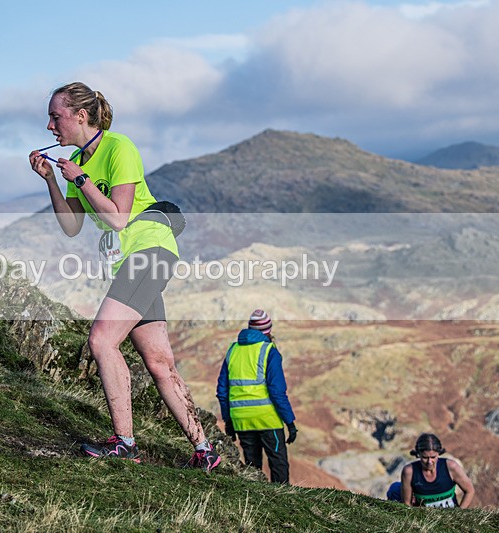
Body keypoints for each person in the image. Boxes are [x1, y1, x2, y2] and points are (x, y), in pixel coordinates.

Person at [28, 82, 220, 472]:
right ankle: (206, 451)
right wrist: (52, 179)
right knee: (159, 361)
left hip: (149, 248)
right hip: (130, 260)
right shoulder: (78, 161)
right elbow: (70, 227)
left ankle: (124, 442)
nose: (50, 126)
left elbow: (118, 217)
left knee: (101, 339)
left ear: (81, 116)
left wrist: (80, 179)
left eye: (55, 116)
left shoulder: (120, 148)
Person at [216, 309, 297, 483]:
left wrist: (228, 421)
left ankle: (254, 506)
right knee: (278, 464)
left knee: (252, 469)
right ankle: (282, 504)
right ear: (268, 331)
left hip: (242, 420)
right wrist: (290, 422)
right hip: (267, 419)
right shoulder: (269, 351)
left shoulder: (233, 350)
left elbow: (222, 390)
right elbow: (277, 392)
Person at [400, 433, 475, 508]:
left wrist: (459, 513)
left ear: (439, 453)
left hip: (450, 515)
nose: (429, 462)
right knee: (395, 489)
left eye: (433, 457)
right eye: (425, 457)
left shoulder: (451, 467)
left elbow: (470, 490)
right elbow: (407, 504)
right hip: (424, 517)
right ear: (418, 454)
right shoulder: (409, 472)